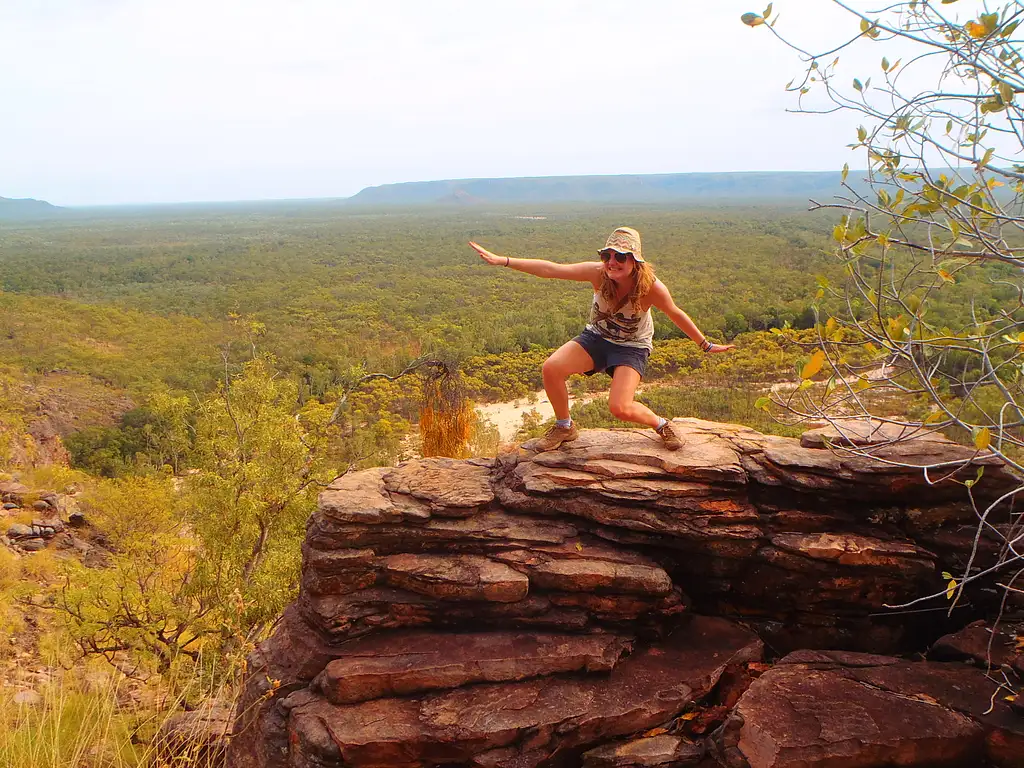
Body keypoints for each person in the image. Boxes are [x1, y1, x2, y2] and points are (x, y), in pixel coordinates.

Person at [468, 227, 734, 452]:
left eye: (620, 256)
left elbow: (676, 314)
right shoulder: (597, 273)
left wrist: (704, 344)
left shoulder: (651, 287)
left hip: (632, 347)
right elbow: (551, 269)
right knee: (552, 368)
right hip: (596, 337)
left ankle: (662, 425)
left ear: (635, 261)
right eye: (607, 255)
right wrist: (503, 260)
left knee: (620, 407)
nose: (611, 262)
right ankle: (565, 427)